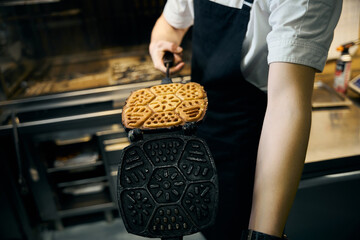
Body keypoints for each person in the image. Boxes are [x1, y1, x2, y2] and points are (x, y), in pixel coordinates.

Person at [149, 0, 342, 239]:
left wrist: (262, 234)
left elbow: (286, 104)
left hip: (249, 139)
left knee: (234, 226)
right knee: (208, 222)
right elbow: (171, 24)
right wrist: (161, 44)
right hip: (201, 130)